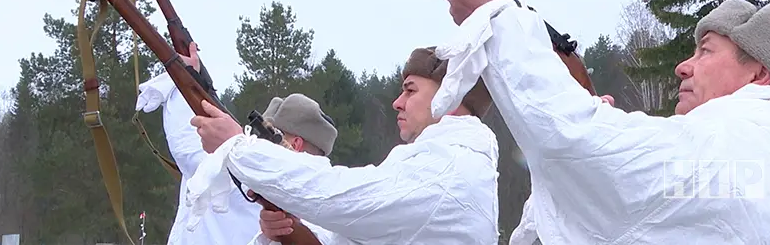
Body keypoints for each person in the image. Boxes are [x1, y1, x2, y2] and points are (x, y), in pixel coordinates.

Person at [430, 0, 770, 245]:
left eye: (705, 50)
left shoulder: (742, 142)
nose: (683, 67)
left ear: (760, 73)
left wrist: (500, 19)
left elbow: (575, 142)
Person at [183, 47, 501, 244]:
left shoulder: (448, 168)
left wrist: (237, 147)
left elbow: (335, 195)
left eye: (410, 91)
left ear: (453, 97)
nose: (397, 102)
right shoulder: (444, 163)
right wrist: (280, 232)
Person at [134, 42, 339, 244]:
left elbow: (187, 148)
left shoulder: (250, 173)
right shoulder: (327, 209)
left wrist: (181, 83)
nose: (258, 142)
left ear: (295, 145)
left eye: (270, 135)